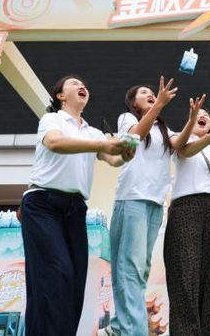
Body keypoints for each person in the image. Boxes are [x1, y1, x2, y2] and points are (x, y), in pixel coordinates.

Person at [21, 75, 135, 335]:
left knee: (74, 280)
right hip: (42, 204)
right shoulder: (52, 120)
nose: (82, 86)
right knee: (54, 272)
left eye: (84, 84)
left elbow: (113, 160)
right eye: (73, 83)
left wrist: (126, 154)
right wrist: (105, 143)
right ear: (60, 96)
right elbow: (55, 143)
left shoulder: (93, 132)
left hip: (75, 209)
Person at [101, 77, 199, 336]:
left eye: (150, 92)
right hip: (132, 198)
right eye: (143, 92)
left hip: (155, 202)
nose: (149, 93)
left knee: (140, 269)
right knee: (129, 267)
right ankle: (133, 330)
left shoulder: (162, 129)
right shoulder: (127, 119)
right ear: (133, 103)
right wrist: (159, 105)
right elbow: (135, 136)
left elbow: (181, 146)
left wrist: (192, 119)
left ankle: (120, 326)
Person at [164, 106, 210, 336]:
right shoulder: (181, 138)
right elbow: (184, 151)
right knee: (185, 274)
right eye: (197, 115)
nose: (203, 116)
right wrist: (208, 137)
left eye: (207, 115)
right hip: (185, 208)